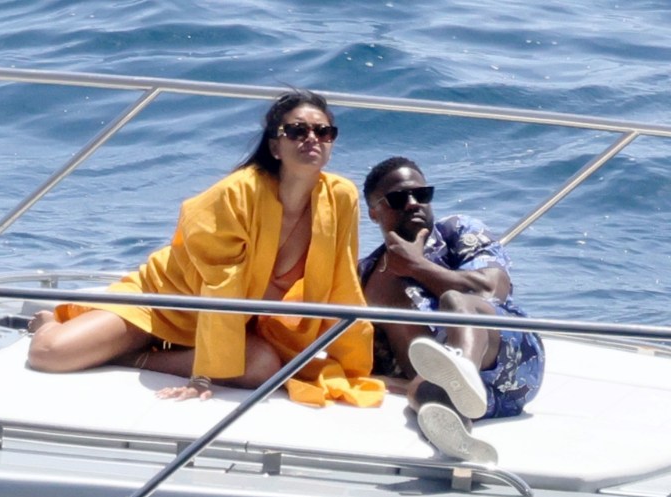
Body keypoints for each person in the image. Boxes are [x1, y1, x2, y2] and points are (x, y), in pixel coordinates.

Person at [27, 89, 384, 408]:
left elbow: (343, 286)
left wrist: (353, 366)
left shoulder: (340, 197)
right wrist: (203, 376)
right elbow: (219, 288)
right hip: (166, 304)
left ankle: (136, 357)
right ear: (275, 146)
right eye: (297, 130)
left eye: (323, 132)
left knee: (265, 367)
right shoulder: (237, 193)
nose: (312, 138)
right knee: (49, 354)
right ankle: (54, 323)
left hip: (232, 325)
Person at [358, 156, 544, 463]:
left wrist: (418, 266)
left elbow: (492, 290)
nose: (413, 203)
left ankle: (464, 371)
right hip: (489, 398)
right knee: (422, 392)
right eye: (398, 198)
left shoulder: (457, 233)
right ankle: (459, 433)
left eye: (422, 194)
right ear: (374, 213)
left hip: (511, 356)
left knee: (455, 303)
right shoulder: (364, 275)